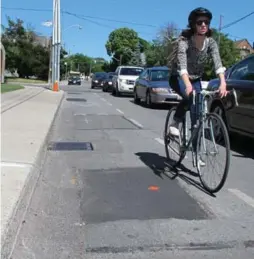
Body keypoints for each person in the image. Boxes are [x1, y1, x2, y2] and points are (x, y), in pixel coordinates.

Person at [168, 7, 227, 137]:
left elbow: (218, 63)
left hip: (195, 79)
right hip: (178, 77)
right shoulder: (184, 42)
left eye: (206, 22)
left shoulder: (211, 43)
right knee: (189, 97)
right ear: (193, 24)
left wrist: (223, 83)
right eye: (199, 22)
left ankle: (197, 156)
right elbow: (182, 66)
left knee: (197, 118)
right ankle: (175, 122)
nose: (203, 25)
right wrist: (188, 85)